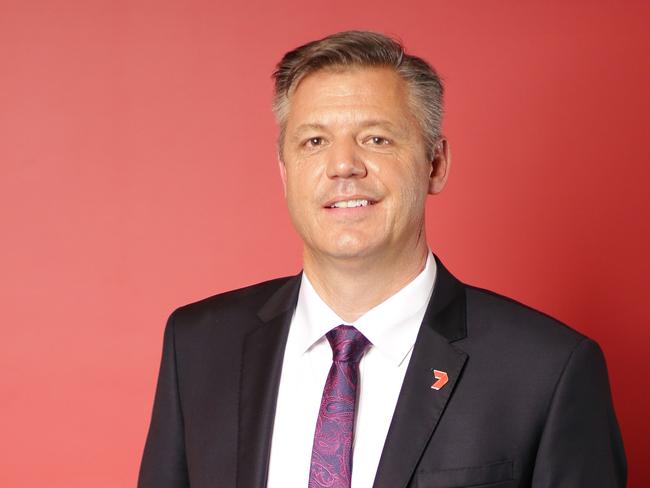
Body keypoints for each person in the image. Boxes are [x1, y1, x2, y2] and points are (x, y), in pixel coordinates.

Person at [138, 31, 626, 488]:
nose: (343, 165)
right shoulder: (199, 346)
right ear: (285, 172)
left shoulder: (547, 371)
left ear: (435, 164)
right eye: (314, 141)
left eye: (377, 138)